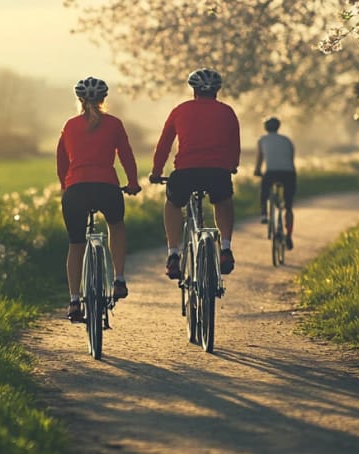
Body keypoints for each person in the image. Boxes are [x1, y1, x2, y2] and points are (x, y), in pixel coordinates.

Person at [56, 76, 142, 322]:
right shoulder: (114, 124)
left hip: (76, 191)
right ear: (104, 99)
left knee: (75, 243)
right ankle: (119, 279)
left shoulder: (70, 125)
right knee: (116, 226)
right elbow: (126, 156)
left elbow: (62, 161)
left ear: (80, 101)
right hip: (107, 189)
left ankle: (74, 301)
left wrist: (66, 186)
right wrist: (133, 182)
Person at [147, 68, 241, 279]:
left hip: (186, 173)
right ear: (217, 90)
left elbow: (164, 145)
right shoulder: (227, 111)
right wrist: (231, 165)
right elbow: (234, 145)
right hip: (217, 172)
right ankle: (225, 247)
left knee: (172, 204)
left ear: (194, 90)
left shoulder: (180, 110)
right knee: (223, 200)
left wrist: (156, 172)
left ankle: (173, 253)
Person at [254, 116, 297, 250]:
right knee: (288, 206)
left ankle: (264, 214)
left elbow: (260, 158)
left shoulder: (262, 140)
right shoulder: (287, 140)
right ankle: (289, 235)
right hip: (289, 173)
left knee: (265, 189)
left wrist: (257, 170)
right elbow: (290, 158)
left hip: (271, 172)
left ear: (265, 128)